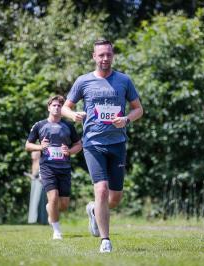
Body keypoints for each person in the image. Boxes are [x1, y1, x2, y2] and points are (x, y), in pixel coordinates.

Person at [62, 39, 143, 253]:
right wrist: (74, 114)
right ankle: (105, 240)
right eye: (101, 55)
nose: (105, 58)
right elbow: (65, 108)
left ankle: (92, 210)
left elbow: (138, 109)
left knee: (114, 198)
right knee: (101, 189)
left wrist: (126, 119)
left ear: (112, 56)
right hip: (93, 144)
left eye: (108, 54)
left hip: (118, 143)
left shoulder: (124, 80)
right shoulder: (83, 81)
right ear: (94, 57)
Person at [25, 95, 82, 240]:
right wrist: (40, 146)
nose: (56, 108)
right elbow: (28, 145)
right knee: (54, 197)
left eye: (59, 106)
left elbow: (79, 145)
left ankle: (50, 208)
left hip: (64, 167)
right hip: (47, 167)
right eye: (54, 105)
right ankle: (57, 231)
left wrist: (69, 151)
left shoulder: (68, 126)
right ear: (49, 107)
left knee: (63, 205)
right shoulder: (39, 125)